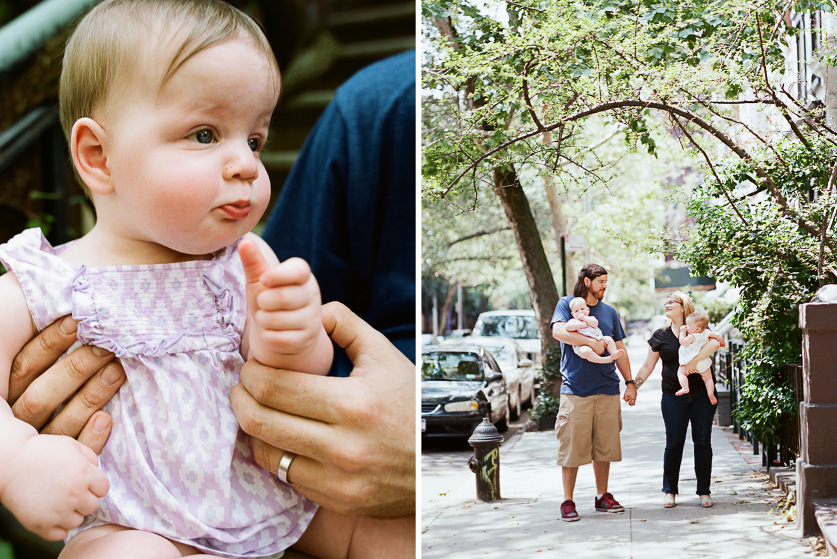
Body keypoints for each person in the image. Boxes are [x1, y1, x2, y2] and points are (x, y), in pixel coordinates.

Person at [0, 1, 412, 557]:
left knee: (400, 532)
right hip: (133, 521)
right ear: (99, 156)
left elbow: (287, 382)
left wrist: (293, 336)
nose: (246, 163)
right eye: (204, 134)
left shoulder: (243, 264)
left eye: (255, 139)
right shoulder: (45, 281)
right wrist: (18, 460)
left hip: (270, 494)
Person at [550, 264, 636, 522]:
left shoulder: (609, 312)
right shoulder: (567, 304)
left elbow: (619, 348)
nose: (604, 286)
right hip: (576, 389)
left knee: (604, 447)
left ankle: (602, 496)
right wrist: (591, 342)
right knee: (572, 448)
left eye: (606, 282)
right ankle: (568, 500)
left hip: (607, 387)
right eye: (601, 282)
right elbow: (558, 332)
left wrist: (630, 382)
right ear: (587, 282)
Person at [631, 291, 723, 509]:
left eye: (672, 301)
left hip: (702, 395)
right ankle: (669, 490)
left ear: (683, 307)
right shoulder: (660, 335)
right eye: (666, 301)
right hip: (673, 395)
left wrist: (692, 362)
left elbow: (717, 343)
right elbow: (648, 365)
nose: (667, 304)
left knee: (703, 442)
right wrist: (633, 386)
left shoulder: (700, 329)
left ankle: (704, 491)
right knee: (674, 443)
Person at [675, 310, 723, 404]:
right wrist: (722, 341)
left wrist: (682, 332)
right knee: (708, 378)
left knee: (681, 373)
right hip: (702, 361)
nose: (686, 326)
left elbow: (682, 342)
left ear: (697, 328)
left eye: (688, 325)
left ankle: (685, 387)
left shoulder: (692, 336)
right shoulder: (707, 332)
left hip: (689, 360)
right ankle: (710, 393)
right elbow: (717, 335)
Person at [565, 297, 626, 364]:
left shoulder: (590, 318)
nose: (580, 312)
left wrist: (584, 318)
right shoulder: (574, 321)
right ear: (573, 314)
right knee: (585, 351)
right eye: (576, 311)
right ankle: (600, 360)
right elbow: (567, 327)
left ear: (587, 310)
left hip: (598, 339)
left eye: (582, 309)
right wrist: (581, 325)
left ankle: (614, 353)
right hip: (582, 345)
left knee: (609, 339)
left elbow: (595, 324)